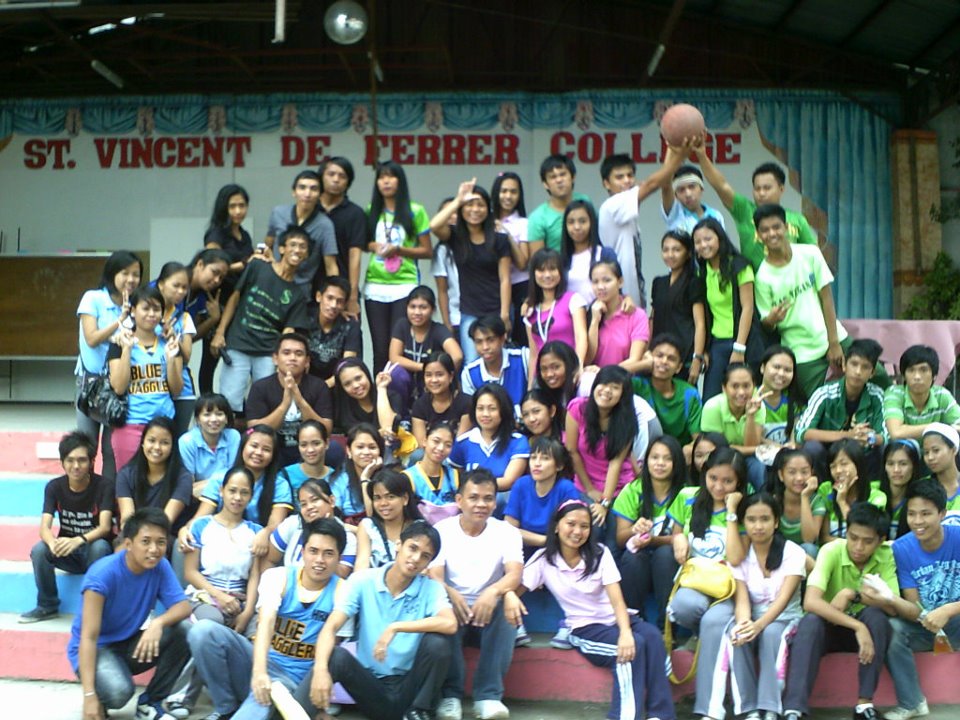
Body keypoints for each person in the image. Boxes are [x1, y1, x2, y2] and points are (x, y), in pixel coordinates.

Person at [505, 499, 677, 720]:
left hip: (616, 619)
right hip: (585, 628)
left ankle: (661, 715)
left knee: (652, 637)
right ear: (556, 526)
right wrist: (509, 594)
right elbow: (512, 588)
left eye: (584, 526)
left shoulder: (599, 553)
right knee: (631, 649)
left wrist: (625, 631)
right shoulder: (544, 560)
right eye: (571, 524)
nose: (577, 531)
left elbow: (617, 600)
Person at [189, 518, 347, 720]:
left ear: (339, 557)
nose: (319, 560)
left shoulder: (343, 592)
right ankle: (226, 707)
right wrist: (259, 672)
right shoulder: (278, 576)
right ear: (302, 552)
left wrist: (316, 707)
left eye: (328, 554)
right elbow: (266, 622)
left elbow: (334, 650)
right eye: (313, 551)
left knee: (253, 709)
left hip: (290, 682)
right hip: (259, 663)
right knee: (203, 631)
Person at [309, 521, 458, 720]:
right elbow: (331, 627)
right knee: (336, 656)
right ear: (398, 545)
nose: (416, 559)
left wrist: (396, 627)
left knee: (438, 643)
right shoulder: (362, 580)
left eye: (425, 556)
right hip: (372, 687)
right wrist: (320, 670)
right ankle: (306, 712)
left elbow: (450, 623)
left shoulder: (431, 588)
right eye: (412, 548)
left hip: (411, 687)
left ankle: (420, 711)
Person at [69, 508, 191, 720]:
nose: (154, 549)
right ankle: (99, 694)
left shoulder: (160, 566)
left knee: (185, 631)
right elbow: (88, 638)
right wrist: (89, 696)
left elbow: (183, 606)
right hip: (97, 649)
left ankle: (150, 702)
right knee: (119, 693)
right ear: (128, 544)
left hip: (128, 643)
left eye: (161, 542)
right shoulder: (102, 576)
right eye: (145, 541)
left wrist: (157, 623)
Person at [782, 502, 897, 720]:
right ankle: (794, 709)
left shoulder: (886, 555)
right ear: (846, 532)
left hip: (866, 635)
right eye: (853, 538)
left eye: (867, 541)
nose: (858, 547)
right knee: (810, 622)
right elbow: (811, 602)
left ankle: (864, 705)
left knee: (877, 617)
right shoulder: (831, 550)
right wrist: (858, 626)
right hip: (830, 628)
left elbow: (892, 606)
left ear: (881, 540)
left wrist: (852, 594)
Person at [428, 469, 523, 720]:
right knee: (441, 607)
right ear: (459, 500)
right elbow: (434, 575)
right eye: (474, 497)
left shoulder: (507, 532)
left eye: (488, 498)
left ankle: (488, 697)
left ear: (495, 502)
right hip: (454, 606)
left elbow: (514, 574)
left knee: (508, 608)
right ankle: (450, 696)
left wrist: (494, 591)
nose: (481, 504)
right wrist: (451, 593)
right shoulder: (442, 530)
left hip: (487, 610)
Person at [666, 447, 748, 720]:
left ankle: (709, 710)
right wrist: (678, 538)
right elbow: (677, 533)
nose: (719, 487)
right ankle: (698, 635)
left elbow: (736, 557)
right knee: (683, 606)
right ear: (704, 474)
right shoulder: (687, 497)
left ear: (739, 483)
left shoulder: (746, 509)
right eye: (713, 478)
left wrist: (732, 511)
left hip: (729, 589)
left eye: (728, 481)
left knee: (714, 622)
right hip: (696, 581)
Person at [753, 204, 849, 400]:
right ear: (759, 235)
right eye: (765, 230)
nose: (772, 234)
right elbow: (766, 323)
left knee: (878, 375)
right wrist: (771, 319)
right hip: (801, 352)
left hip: (833, 336)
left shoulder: (810, 254)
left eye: (776, 227)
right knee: (818, 400)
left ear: (787, 228)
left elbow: (827, 298)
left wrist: (834, 343)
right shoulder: (762, 277)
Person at [211, 227, 312, 413]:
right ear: (281, 249)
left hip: (267, 352)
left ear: (306, 255)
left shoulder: (298, 294)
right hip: (238, 343)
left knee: (265, 404)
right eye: (293, 245)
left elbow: (288, 331)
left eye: (302, 247)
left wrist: (281, 359)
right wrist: (220, 332)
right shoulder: (258, 266)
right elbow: (235, 297)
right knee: (229, 402)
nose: (297, 250)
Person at [885, 479, 960, 720]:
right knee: (893, 628)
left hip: (957, 620)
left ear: (942, 514)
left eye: (925, 514)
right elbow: (914, 605)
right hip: (926, 626)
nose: (918, 521)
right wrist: (889, 599)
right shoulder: (902, 548)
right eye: (912, 514)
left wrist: (948, 610)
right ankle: (913, 702)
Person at [20, 431, 113, 624]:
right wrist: (52, 543)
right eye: (70, 460)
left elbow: (105, 527)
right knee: (39, 550)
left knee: (100, 546)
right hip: (67, 552)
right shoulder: (54, 487)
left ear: (91, 461)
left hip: (93, 552)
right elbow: (44, 528)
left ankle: (94, 608)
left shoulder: (104, 485)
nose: (76, 466)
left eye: (82, 460)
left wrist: (78, 540)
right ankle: (47, 605)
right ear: (62, 462)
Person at [730, 492, 807, 720]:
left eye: (765, 519)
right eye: (751, 520)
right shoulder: (741, 555)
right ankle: (750, 708)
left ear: (776, 522)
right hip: (755, 618)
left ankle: (770, 708)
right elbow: (742, 599)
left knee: (772, 632)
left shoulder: (793, 552)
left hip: (787, 619)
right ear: (744, 523)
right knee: (737, 635)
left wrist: (759, 625)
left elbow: (783, 601)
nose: (758, 526)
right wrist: (744, 624)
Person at [695, 144, 819, 271]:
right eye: (757, 188)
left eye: (767, 188)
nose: (761, 193)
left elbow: (815, 256)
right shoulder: (744, 210)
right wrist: (702, 156)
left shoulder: (797, 219)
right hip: (752, 282)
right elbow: (721, 186)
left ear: (781, 189)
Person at [75, 250, 143, 481]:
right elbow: (92, 338)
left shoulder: (137, 304)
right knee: (85, 447)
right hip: (91, 385)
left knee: (112, 449)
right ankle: (85, 496)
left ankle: (108, 498)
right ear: (112, 274)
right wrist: (120, 320)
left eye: (136, 274)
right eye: (125, 273)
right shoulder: (93, 298)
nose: (131, 279)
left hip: (119, 385)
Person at [180, 424, 293, 557]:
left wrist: (265, 532)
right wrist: (185, 529)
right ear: (243, 447)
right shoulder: (220, 478)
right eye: (254, 446)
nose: (258, 452)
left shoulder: (279, 484)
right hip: (220, 540)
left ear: (273, 455)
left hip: (259, 544)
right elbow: (201, 517)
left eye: (266, 449)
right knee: (185, 541)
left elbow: (276, 524)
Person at [431, 180, 512, 363]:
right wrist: (458, 200)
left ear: (488, 209)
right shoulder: (456, 237)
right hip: (469, 311)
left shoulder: (499, 239)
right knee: (471, 362)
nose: (475, 209)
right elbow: (434, 225)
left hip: (496, 309)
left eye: (480, 205)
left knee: (499, 361)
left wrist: (505, 314)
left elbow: (505, 279)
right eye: (470, 205)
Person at [597, 145, 689, 307]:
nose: (627, 181)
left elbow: (659, 181)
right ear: (606, 184)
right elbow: (652, 184)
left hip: (631, 298)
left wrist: (671, 150)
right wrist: (681, 154)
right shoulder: (613, 205)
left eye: (630, 175)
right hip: (619, 301)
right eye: (619, 177)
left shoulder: (626, 207)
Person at [364, 160, 433, 374]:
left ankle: (399, 393)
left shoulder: (415, 211)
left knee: (398, 349)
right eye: (381, 177)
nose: (386, 181)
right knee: (379, 349)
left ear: (400, 180)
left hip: (404, 285)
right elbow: (363, 243)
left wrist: (399, 250)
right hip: (375, 286)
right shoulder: (371, 210)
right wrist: (374, 246)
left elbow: (427, 250)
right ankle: (379, 393)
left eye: (391, 176)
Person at [108, 286, 183, 471]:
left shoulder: (169, 342)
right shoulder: (119, 343)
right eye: (146, 308)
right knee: (129, 479)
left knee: (162, 480)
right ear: (133, 311)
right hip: (131, 424)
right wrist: (127, 349)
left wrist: (171, 360)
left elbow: (176, 390)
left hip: (164, 424)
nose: (151, 314)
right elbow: (119, 387)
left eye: (156, 309)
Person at [613, 436, 686, 626]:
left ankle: (667, 627)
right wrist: (633, 531)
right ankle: (634, 622)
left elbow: (681, 539)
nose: (660, 463)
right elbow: (620, 538)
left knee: (665, 555)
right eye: (655, 457)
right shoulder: (632, 490)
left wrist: (654, 540)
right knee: (632, 557)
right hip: (640, 558)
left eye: (667, 458)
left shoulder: (685, 493)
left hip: (671, 560)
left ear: (677, 463)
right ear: (646, 461)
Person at [184, 467, 262, 633]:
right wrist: (219, 596)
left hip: (239, 602)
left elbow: (255, 575)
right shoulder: (201, 525)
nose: (237, 497)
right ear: (221, 491)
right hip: (205, 597)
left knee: (259, 630)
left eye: (244, 493)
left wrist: (247, 612)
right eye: (232, 491)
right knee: (213, 623)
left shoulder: (256, 532)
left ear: (251, 496)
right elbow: (190, 572)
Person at [794, 338, 886, 477]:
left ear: (872, 373)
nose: (858, 372)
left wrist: (868, 438)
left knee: (887, 448)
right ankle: (821, 487)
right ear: (844, 365)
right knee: (812, 448)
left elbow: (887, 436)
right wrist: (848, 435)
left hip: (863, 456)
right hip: (828, 457)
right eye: (854, 364)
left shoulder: (877, 396)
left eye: (865, 367)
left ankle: (875, 487)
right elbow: (801, 432)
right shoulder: (824, 393)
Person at [565, 365, 640, 531]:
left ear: (623, 395)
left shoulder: (626, 422)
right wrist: (590, 489)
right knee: (594, 527)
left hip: (618, 486)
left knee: (614, 534)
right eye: (604, 384)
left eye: (615, 387)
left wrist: (605, 503)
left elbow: (615, 464)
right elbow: (572, 451)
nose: (607, 390)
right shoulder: (577, 408)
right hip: (585, 483)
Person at [245, 332, 334, 466]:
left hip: (308, 448)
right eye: (286, 353)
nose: (292, 358)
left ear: (307, 361)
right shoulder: (260, 387)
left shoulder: (319, 386)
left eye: (299, 354)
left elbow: (326, 431)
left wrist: (300, 401)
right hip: (274, 448)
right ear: (275, 358)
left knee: (334, 450)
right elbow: (253, 431)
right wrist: (285, 404)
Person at [693, 217, 756, 401]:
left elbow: (748, 308)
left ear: (719, 238)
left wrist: (739, 348)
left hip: (741, 341)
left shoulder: (739, 266)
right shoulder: (702, 271)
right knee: (710, 400)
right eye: (698, 242)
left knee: (743, 398)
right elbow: (705, 316)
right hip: (716, 345)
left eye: (708, 239)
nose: (703, 245)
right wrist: (703, 350)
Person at [200, 184, 254, 394]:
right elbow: (211, 265)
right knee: (210, 359)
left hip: (240, 303)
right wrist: (242, 264)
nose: (238, 211)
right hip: (218, 301)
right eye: (232, 206)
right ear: (224, 208)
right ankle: (205, 403)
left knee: (240, 360)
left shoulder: (245, 235)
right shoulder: (216, 233)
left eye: (242, 206)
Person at [264, 169, 339, 301]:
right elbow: (267, 244)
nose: (307, 193)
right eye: (302, 188)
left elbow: (331, 266)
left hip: (301, 290)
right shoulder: (278, 213)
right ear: (294, 192)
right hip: (272, 282)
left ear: (320, 195)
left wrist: (336, 296)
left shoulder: (325, 225)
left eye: (313, 189)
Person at [450, 384, 530, 504]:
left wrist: (474, 487)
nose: (485, 414)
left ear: (503, 411)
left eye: (492, 409)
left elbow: (509, 481)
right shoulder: (463, 442)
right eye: (480, 408)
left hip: (505, 505)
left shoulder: (517, 441)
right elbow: (456, 477)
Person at [388, 286, 462, 412]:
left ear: (433, 310)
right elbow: (394, 357)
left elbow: (457, 356)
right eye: (412, 307)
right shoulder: (402, 325)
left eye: (423, 307)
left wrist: (438, 374)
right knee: (395, 374)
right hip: (408, 379)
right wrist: (423, 368)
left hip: (430, 382)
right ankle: (402, 416)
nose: (417, 312)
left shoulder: (438, 329)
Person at [115, 417, 193, 531]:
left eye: (164, 443)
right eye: (151, 440)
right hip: (133, 535)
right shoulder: (126, 474)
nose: (157, 447)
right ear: (142, 442)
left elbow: (167, 520)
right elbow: (127, 520)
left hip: (166, 535)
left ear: (173, 447)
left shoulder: (183, 478)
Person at [504, 437, 580, 555]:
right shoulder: (521, 484)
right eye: (533, 457)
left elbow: (571, 530)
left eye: (545, 458)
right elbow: (509, 530)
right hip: (522, 549)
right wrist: (545, 541)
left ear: (559, 466)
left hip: (557, 551)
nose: (537, 463)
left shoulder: (566, 489)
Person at [266, 477, 356, 575]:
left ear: (332, 501)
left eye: (315, 500)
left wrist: (326, 532)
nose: (309, 507)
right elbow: (270, 559)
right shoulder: (293, 523)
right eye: (303, 504)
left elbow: (342, 574)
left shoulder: (348, 537)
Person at [649, 229, 706, 383]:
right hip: (659, 352)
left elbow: (700, 324)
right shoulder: (659, 282)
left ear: (688, 253)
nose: (670, 254)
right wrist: (648, 349)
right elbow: (653, 318)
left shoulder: (694, 282)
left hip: (684, 354)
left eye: (676, 250)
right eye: (666, 250)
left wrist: (697, 357)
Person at [700, 363, 767, 489]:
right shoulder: (712, 407)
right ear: (724, 388)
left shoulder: (758, 406)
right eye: (735, 386)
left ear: (754, 387)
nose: (741, 392)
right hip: (718, 459)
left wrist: (750, 415)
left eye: (746, 386)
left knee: (758, 466)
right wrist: (760, 449)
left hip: (745, 458)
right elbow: (717, 449)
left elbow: (751, 445)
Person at [152, 261, 200, 436]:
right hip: (152, 388)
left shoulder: (184, 317)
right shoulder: (146, 314)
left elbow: (186, 357)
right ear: (161, 284)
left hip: (182, 392)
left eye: (185, 288)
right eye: (176, 286)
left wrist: (173, 337)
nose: (181, 292)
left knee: (177, 442)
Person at [524, 248, 588, 376]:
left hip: (569, 371)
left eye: (552, 269)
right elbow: (533, 354)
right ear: (533, 274)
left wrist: (578, 366)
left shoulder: (573, 300)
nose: (547, 275)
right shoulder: (530, 310)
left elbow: (581, 337)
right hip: (544, 376)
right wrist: (530, 385)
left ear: (561, 272)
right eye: (541, 270)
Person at [632, 333, 703, 447]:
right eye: (659, 356)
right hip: (644, 451)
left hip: (678, 453)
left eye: (671, 359)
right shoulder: (638, 386)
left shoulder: (689, 394)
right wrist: (642, 364)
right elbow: (607, 378)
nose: (664, 361)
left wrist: (689, 449)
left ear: (678, 367)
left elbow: (698, 440)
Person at [319, 156, 368, 318]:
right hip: (309, 288)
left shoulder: (355, 213)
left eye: (342, 176)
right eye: (331, 174)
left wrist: (352, 297)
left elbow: (355, 256)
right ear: (321, 177)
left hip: (343, 290)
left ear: (348, 182)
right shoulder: (310, 209)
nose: (336, 179)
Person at [585, 257, 649, 376]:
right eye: (595, 282)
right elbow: (586, 359)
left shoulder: (637, 315)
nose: (600, 286)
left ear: (620, 282)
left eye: (607, 280)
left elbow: (634, 359)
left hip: (624, 380)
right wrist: (594, 321)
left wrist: (603, 373)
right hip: (595, 383)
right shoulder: (587, 314)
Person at [884, 344, 960, 440]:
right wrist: (939, 427)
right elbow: (896, 433)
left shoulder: (942, 395)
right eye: (911, 370)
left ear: (934, 376)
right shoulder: (895, 393)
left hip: (934, 447)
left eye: (923, 370)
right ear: (904, 375)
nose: (917, 377)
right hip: (904, 448)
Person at [355, 466, 424, 571]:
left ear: (405, 499)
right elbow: (361, 564)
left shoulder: (419, 528)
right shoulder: (367, 526)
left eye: (390, 497)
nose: (383, 503)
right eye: (377, 498)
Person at [460, 315, 529, 420]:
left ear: (503, 338)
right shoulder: (469, 374)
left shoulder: (523, 358)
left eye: (490, 340)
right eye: (479, 342)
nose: (485, 347)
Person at [819, 439, 887, 542]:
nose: (838, 471)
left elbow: (862, 534)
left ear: (858, 464)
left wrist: (842, 502)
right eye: (833, 466)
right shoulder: (826, 489)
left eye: (844, 464)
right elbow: (824, 537)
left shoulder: (877, 496)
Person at [177, 392, 241, 501]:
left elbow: (235, 476)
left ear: (226, 418)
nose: (214, 419)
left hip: (229, 497)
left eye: (219, 414)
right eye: (207, 415)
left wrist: (206, 485)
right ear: (198, 419)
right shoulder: (187, 441)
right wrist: (222, 482)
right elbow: (189, 486)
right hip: (198, 499)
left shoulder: (233, 436)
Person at [491, 171, 531, 347]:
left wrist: (505, 234)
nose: (508, 196)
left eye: (513, 192)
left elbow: (522, 263)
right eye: (504, 191)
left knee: (520, 341)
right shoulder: (486, 221)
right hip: (493, 288)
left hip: (520, 288)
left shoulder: (524, 223)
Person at [767, 447, 825, 561]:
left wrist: (805, 497)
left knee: (810, 548)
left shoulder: (817, 501)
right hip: (780, 554)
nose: (799, 478)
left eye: (804, 472)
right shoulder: (773, 501)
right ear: (781, 475)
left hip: (806, 557)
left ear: (812, 473)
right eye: (792, 472)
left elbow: (809, 539)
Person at [527, 154, 592, 255]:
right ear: (545, 184)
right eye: (553, 177)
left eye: (563, 174)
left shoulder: (585, 201)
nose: (559, 180)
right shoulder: (538, 217)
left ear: (573, 177)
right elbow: (538, 259)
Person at [305, 276, 362, 386]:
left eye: (339, 301)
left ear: (345, 304)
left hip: (336, 384)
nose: (333, 305)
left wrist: (322, 388)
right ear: (318, 296)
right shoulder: (305, 317)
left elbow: (347, 364)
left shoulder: (350, 325)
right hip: (305, 384)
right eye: (329, 298)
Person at [410, 351, 472, 449]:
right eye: (428, 375)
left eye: (439, 375)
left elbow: (460, 443)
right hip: (430, 453)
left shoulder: (466, 403)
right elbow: (421, 444)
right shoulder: (420, 405)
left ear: (451, 376)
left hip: (456, 454)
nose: (434, 380)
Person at [559, 200, 617, 303]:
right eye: (571, 222)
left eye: (582, 221)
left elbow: (617, 288)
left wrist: (626, 298)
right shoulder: (560, 259)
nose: (577, 227)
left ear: (592, 222)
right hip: (572, 313)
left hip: (601, 311)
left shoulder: (605, 254)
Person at [328, 423, 385, 522]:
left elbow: (376, 520)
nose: (366, 452)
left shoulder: (387, 478)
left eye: (372, 447)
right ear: (349, 451)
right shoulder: (338, 481)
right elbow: (334, 521)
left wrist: (365, 478)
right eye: (360, 447)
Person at [332, 358, 401, 437]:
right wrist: (379, 433)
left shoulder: (392, 397)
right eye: (347, 384)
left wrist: (381, 388)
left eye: (358, 378)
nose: (356, 385)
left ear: (366, 374)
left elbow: (389, 430)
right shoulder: (342, 408)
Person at [404, 420, 461, 515]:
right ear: (425, 441)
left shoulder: (455, 477)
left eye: (448, 445)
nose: (441, 448)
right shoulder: (408, 477)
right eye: (436, 441)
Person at [757, 344, 802, 448]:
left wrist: (792, 446)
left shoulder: (795, 401)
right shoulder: (750, 398)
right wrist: (780, 448)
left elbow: (796, 437)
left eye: (787, 370)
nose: (781, 373)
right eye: (776, 367)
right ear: (762, 368)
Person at [660, 163, 726, 234]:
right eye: (681, 190)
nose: (688, 194)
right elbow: (666, 187)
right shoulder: (675, 213)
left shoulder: (716, 216)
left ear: (701, 189)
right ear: (676, 195)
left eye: (692, 187)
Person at [880, 440, 923, 539]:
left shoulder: (922, 496)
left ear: (914, 466)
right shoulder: (872, 491)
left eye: (903, 464)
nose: (896, 470)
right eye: (890, 464)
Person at [432, 196, 462, 339]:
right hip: (456, 316)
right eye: (447, 213)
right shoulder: (442, 250)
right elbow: (442, 290)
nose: (452, 216)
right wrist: (446, 322)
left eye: (455, 212)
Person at [921, 423, 960, 524]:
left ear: (954, 450)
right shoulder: (922, 488)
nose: (930, 457)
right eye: (926, 452)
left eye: (936, 450)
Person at [283, 420, 335, 496]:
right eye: (303, 445)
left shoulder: (336, 478)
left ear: (326, 443)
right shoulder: (285, 476)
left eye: (316, 443)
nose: (310, 450)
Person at [534, 340, 580, 422]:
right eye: (544, 369)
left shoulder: (584, 385)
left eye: (556, 367)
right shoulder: (539, 387)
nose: (549, 374)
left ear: (569, 364)